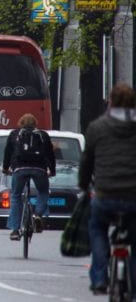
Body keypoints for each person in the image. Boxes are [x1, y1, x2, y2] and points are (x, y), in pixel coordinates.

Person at [78, 82, 136, 294]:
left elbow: (86, 162)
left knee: (97, 229)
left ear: (110, 102)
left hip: (106, 194)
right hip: (133, 197)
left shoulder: (97, 127)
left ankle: (100, 278)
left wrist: (84, 185)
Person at [2, 113, 55, 241]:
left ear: (20, 123)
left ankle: (15, 230)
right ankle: (38, 214)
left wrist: (5, 168)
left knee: (16, 196)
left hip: (19, 169)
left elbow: (7, 152)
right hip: (39, 169)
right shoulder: (43, 135)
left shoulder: (14, 134)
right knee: (43, 191)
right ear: (35, 123)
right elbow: (50, 154)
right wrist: (52, 170)